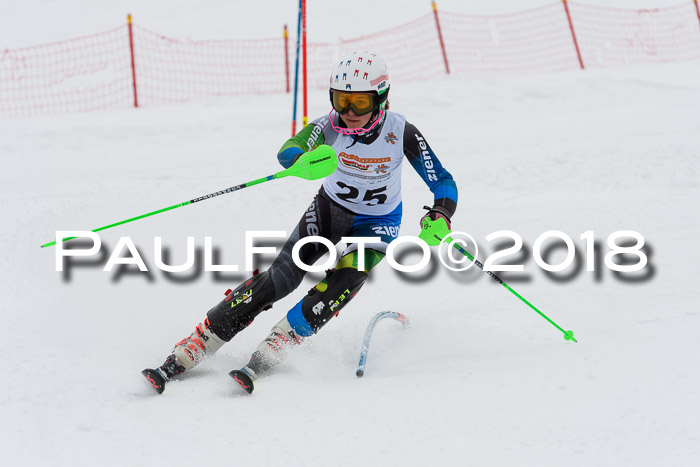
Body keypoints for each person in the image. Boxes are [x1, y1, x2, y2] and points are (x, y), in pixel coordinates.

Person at [142, 51, 458, 394]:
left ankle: (284, 338)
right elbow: (290, 149)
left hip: (377, 222)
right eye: (341, 100)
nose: (349, 112)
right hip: (329, 210)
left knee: (349, 276)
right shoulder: (327, 126)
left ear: (381, 98)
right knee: (280, 278)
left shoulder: (402, 132)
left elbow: (443, 180)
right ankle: (202, 338)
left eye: (359, 102)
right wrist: (302, 160)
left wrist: (440, 213)